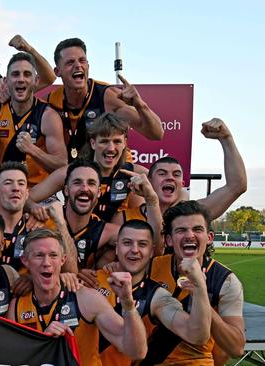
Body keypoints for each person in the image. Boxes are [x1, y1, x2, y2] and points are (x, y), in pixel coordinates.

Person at [7, 228, 147, 366]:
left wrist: (128, 304)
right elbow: (11, 360)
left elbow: (137, 352)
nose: (47, 263)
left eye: (53, 255)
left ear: (63, 260)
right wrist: (44, 342)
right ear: (25, 260)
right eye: (39, 255)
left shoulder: (86, 298)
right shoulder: (17, 307)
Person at [96, 220, 212, 365]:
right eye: (127, 243)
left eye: (142, 244)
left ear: (152, 251)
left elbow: (197, 336)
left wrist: (200, 288)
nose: (135, 250)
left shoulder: (157, 296)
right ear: (117, 248)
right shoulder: (91, 281)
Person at [147, 201, 245, 365]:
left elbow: (236, 348)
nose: (189, 235)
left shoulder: (225, 281)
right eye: (181, 230)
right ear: (169, 239)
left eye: (197, 229)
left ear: (209, 238)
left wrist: (201, 295)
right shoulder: (152, 267)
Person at [48, 38, 163, 161]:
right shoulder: (51, 101)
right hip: (76, 174)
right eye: (70, 62)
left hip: (115, 173)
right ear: (57, 71)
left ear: (88, 66)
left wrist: (140, 105)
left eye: (82, 60)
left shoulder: (109, 97)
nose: (78, 65)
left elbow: (156, 134)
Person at [30, 112, 148, 222]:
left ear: (124, 144)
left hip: (115, 238)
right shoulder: (72, 172)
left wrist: (150, 197)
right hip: (76, 238)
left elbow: (161, 201)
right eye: (104, 141)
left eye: (117, 141)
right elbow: (27, 198)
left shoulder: (135, 173)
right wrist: (34, 210)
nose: (111, 148)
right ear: (93, 143)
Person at [0, 52, 66, 190]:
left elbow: (62, 165)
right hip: (3, 189)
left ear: (36, 81)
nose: (21, 79)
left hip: (37, 190)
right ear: (6, 81)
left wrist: (32, 150)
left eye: (27, 74)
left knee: (54, 211)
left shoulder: (48, 115)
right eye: (15, 74)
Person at [143, 118, 246, 221]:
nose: (170, 178)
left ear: (182, 184)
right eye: (162, 173)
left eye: (176, 174)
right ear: (149, 181)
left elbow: (237, 186)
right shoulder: (130, 210)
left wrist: (226, 138)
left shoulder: (191, 214)